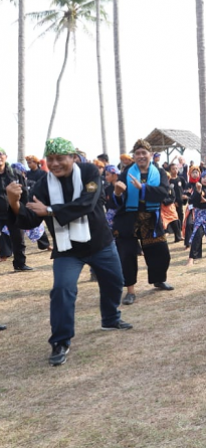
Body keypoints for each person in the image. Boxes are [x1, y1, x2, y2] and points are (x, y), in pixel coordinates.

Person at [7, 137, 132, 366]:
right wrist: (14, 203)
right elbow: (31, 218)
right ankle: (60, 341)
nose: (55, 164)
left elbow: (88, 202)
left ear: (73, 158)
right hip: (68, 250)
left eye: (60, 158)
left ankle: (111, 318)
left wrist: (50, 210)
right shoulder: (43, 185)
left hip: (100, 243)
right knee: (62, 291)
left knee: (115, 282)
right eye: (50, 159)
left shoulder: (89, 173)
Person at [112, 139, 174, 306]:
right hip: (128, 219)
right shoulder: (126, 173)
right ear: (134, 156)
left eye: (144, 153)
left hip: (150, 219)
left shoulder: (159, 172)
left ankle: (158, 280)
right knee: (127, 255)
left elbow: (162, 193)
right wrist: (117, 194)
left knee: (161, 253)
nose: (140, 156)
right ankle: (130, 291)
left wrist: (143, 188)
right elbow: (115, 198)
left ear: (150, 155)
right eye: (137, 153)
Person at [1, 147, 32, 272]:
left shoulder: (15, 174)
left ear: (6, 157)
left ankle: (20, 264)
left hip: (13, 211)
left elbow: (24, 193)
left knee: (18, 239)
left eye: (1, 154)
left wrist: (24, 209)